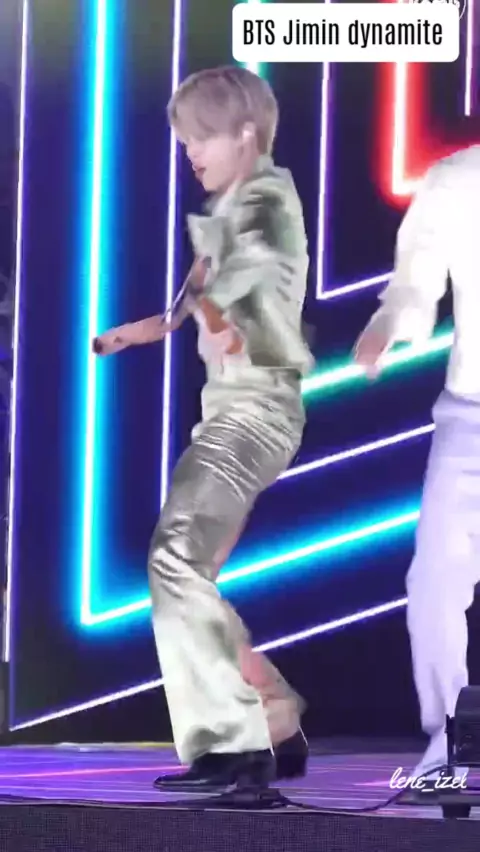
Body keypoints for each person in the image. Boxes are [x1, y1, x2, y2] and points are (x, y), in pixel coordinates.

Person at [93, 66, 313, 793]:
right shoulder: (232, 211)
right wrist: (132, 334)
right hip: (237, 411)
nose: (190, 151)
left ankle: (233, 746)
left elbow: (248, 284)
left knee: (175, 559)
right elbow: (188, 307)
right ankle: (272, 714)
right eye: (186, 139)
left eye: (202, 137)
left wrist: (228, 313)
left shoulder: (264, 204)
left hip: (253, 413)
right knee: (192, 574)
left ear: (245, 134)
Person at [354, 144, 480, 779]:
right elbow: (415, 281)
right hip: (470, 415)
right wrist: (390, 322)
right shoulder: (456, 180)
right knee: (432, 583)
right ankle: (448, 743)